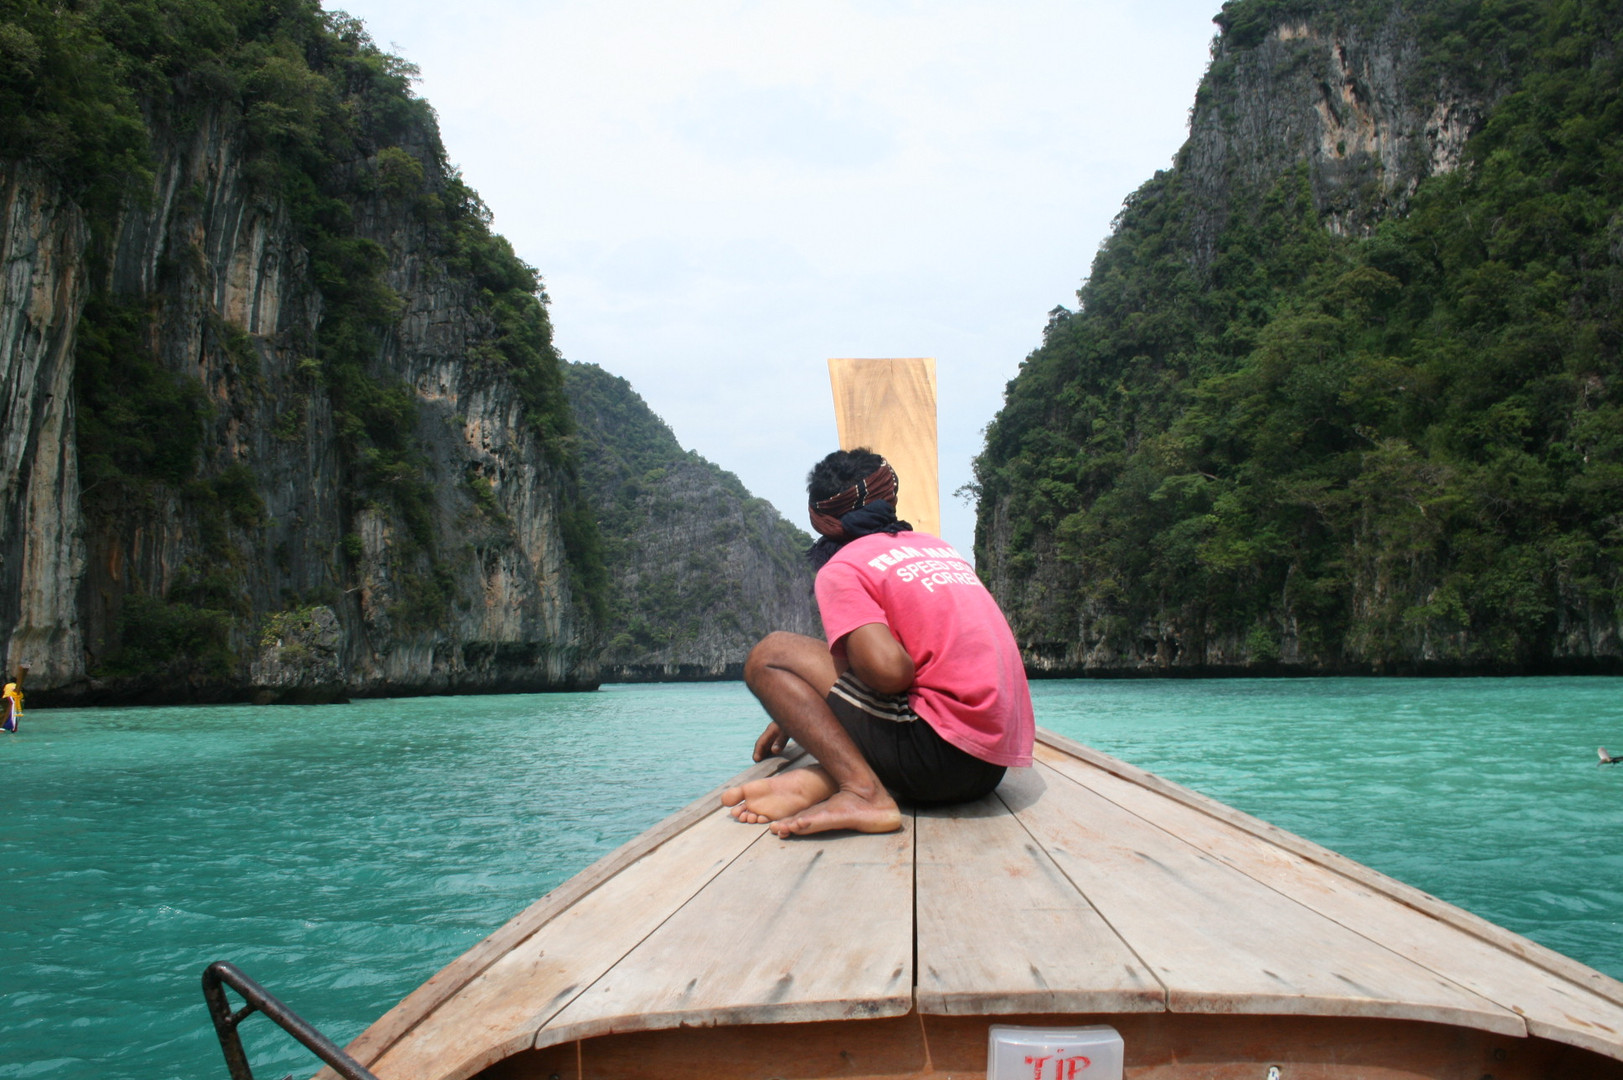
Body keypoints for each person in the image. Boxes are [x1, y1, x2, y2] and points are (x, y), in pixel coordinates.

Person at [721, 449, 1034, 837]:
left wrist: (807, 695)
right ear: (890, 494)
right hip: (991, 766)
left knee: (769, 655)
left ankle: (864, 793)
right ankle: (824, 780)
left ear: (823, 518)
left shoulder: (845, 567)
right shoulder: (939, 549)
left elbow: (891, 673)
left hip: (938, 761)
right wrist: (803, 709)